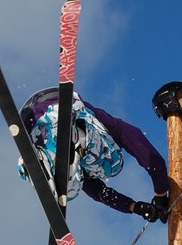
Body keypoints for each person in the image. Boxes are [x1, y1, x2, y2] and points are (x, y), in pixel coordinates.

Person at [19, 89, 170, 223]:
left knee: (72, 187)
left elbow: (101, 194)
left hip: (36, 127)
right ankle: (67, 137)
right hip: (63, 109)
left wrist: (134, 207)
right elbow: (150, 157)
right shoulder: (114, 130)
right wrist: (161, 194)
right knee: (82, 161)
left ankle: (44, 161)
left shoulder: (79, 171)